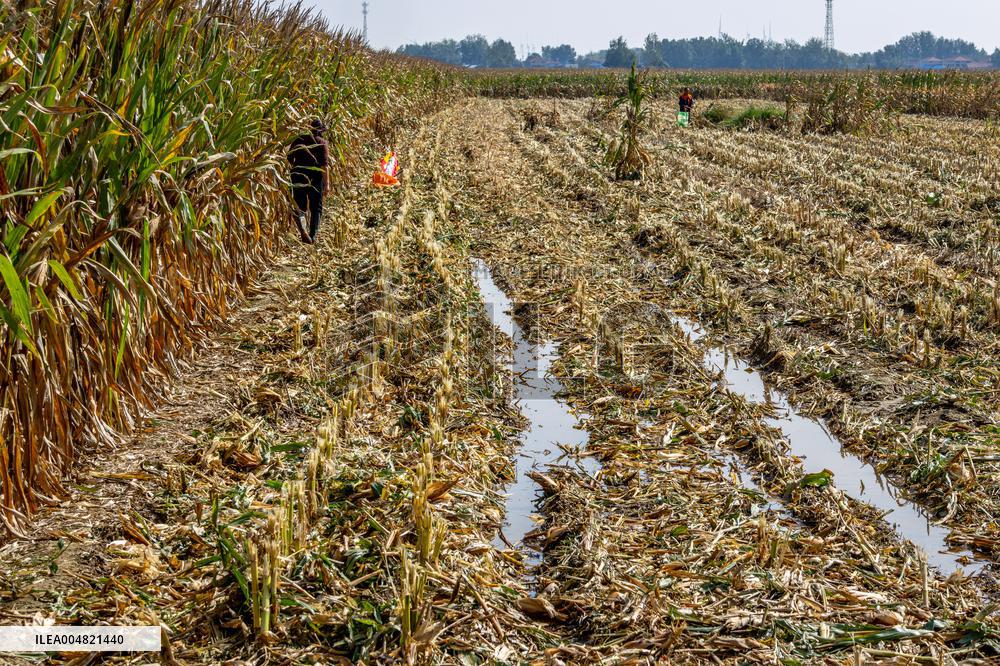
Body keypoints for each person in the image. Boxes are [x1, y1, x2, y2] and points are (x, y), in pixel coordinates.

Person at [287, 118, 329, 244]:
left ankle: (303, 231)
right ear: (321, 131)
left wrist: (296, 166)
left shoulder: (298, 139)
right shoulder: (321, 143)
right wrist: (327, 184)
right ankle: (313, 235)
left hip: (297, 175)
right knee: (316, 208)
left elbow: (289, 156)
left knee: (300, 207)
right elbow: (324, 166)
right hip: (315, 178)